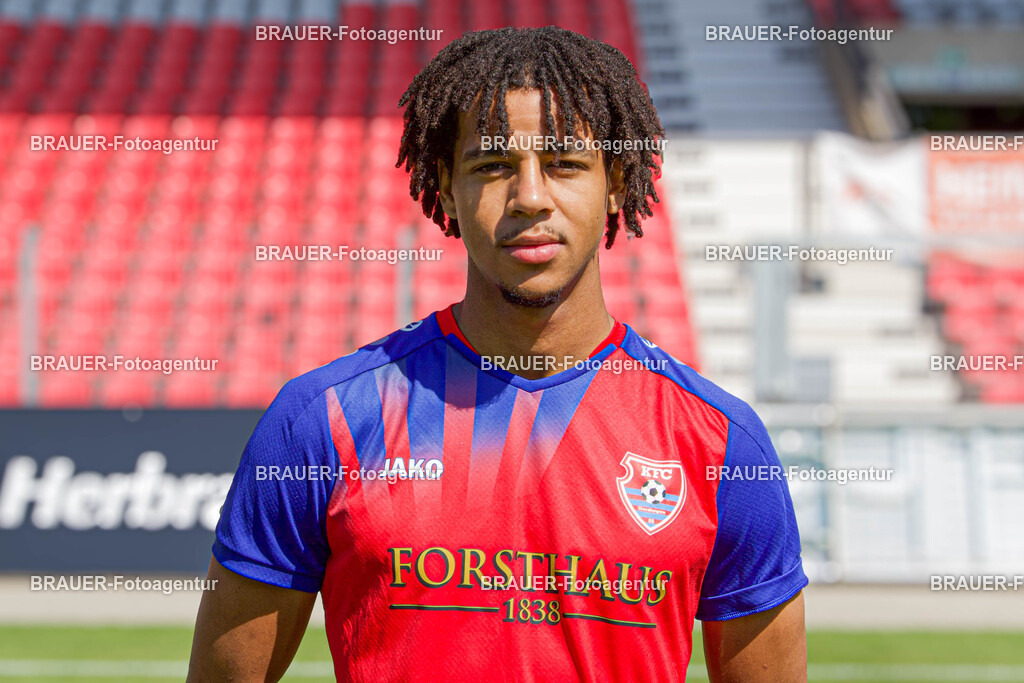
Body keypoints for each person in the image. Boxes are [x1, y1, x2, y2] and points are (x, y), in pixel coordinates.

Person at [188, 26, 807, 682]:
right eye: (492, 165)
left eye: (565, 163)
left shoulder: (720, 442)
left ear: (617, 184)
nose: (531, 197)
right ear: (446, 186)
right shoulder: (322, 421)